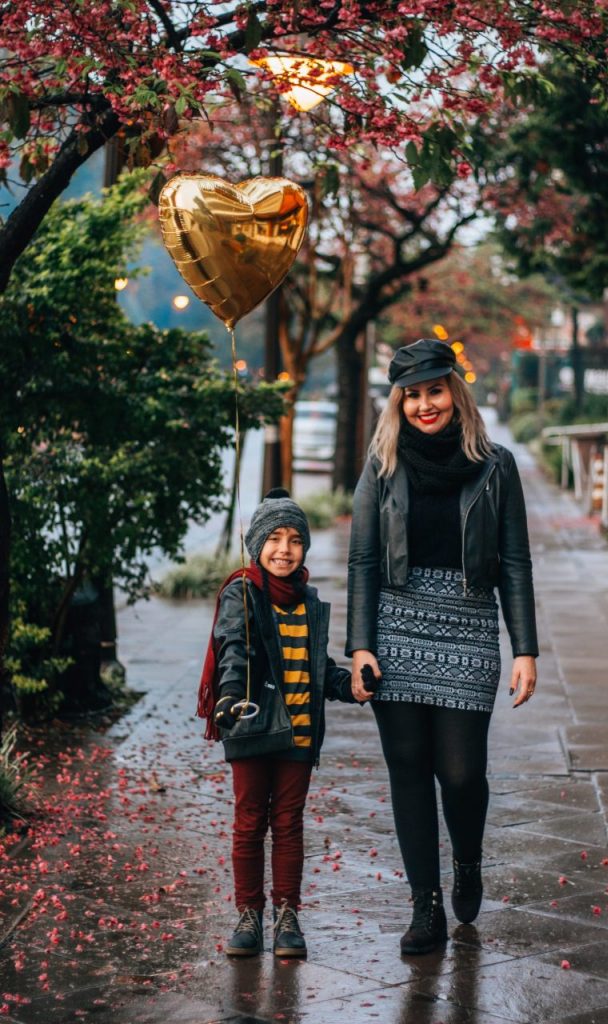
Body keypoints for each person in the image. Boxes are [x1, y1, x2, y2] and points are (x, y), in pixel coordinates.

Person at [346, 339, 538, 955]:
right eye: (412, 395)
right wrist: (360, 646)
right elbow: (363, 561)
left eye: (435, 391)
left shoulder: (495, 465)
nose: (425, 405)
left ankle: (469, 859)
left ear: (455, 392)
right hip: (397, 625)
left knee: (459, 773)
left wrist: (525, 648)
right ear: (398, 404)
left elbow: (514, 562)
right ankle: (424, 906)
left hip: (469, 622)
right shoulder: (381, 466)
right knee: (408, 767)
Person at [198, 488, 355, 958]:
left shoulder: (308, 602)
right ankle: (250, 916)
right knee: (249, 823)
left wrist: (351, 687)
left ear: (304, 547)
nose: (283, 549)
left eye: (293, 540)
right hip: (250, 726)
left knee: (288, 824)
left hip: (300, 731)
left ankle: (288, 916)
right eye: (274, 539)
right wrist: (228, 697)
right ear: (257, 545)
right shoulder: (242, 592)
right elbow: (233, 650)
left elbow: (319, 668)